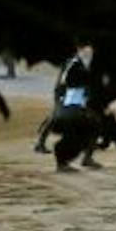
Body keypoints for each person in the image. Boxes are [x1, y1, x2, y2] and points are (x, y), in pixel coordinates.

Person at [37, 40, 102, 171]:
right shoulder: (74, 63)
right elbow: (66, 82)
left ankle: (85, 158)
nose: (90, 52)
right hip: (68, 97)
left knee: (93, 124)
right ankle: (64, 161)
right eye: (87, 49)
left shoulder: (83, 62)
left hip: (74, 97)